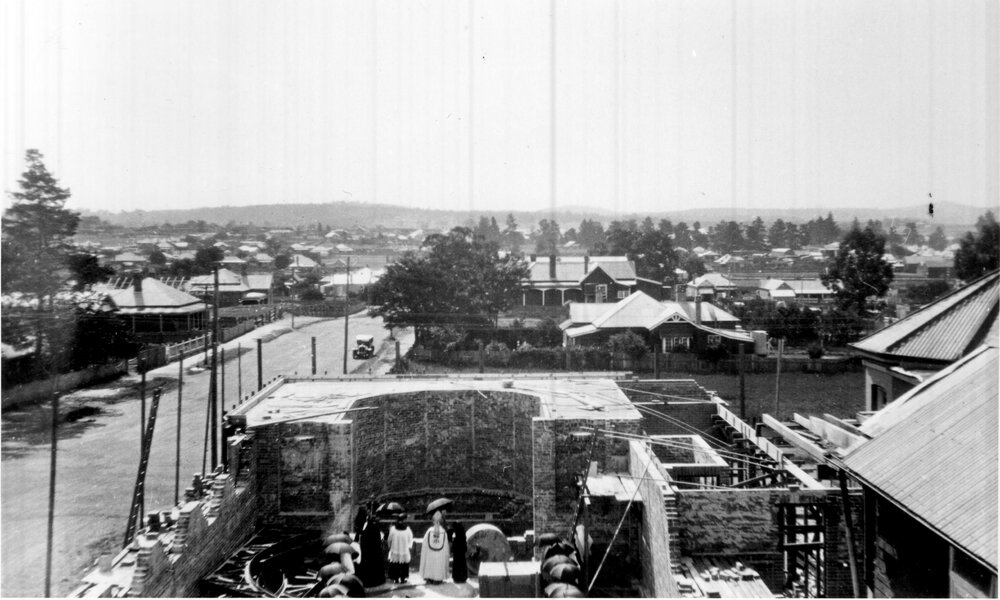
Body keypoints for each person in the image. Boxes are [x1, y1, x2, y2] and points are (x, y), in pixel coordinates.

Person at [419, 511, 450, 583]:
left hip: (430, 553)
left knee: (430, 562)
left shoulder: (429, 531)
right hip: (440, 554)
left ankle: (429, 577)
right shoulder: (443, 531)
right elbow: (446, 546)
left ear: (433, 521)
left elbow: (425, 544)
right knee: (438, 563)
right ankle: (438, 578)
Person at [357, 512, 385, 587]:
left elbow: (361, 540)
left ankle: (368, 581)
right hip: (374, 552)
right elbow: (378, 541)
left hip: (367, 552)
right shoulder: (375, 528)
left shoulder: (365, 529)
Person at [385, 514, 413, 584]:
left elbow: (389, 539)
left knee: (396, 564)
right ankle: (402, 579)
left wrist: (389, 546)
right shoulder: (407, 529)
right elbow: (410, 539)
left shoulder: (393, 529)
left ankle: (396, 579)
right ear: (404, 520)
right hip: (404, 550)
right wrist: (408, 547)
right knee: (403, 565)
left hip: (395, 550)